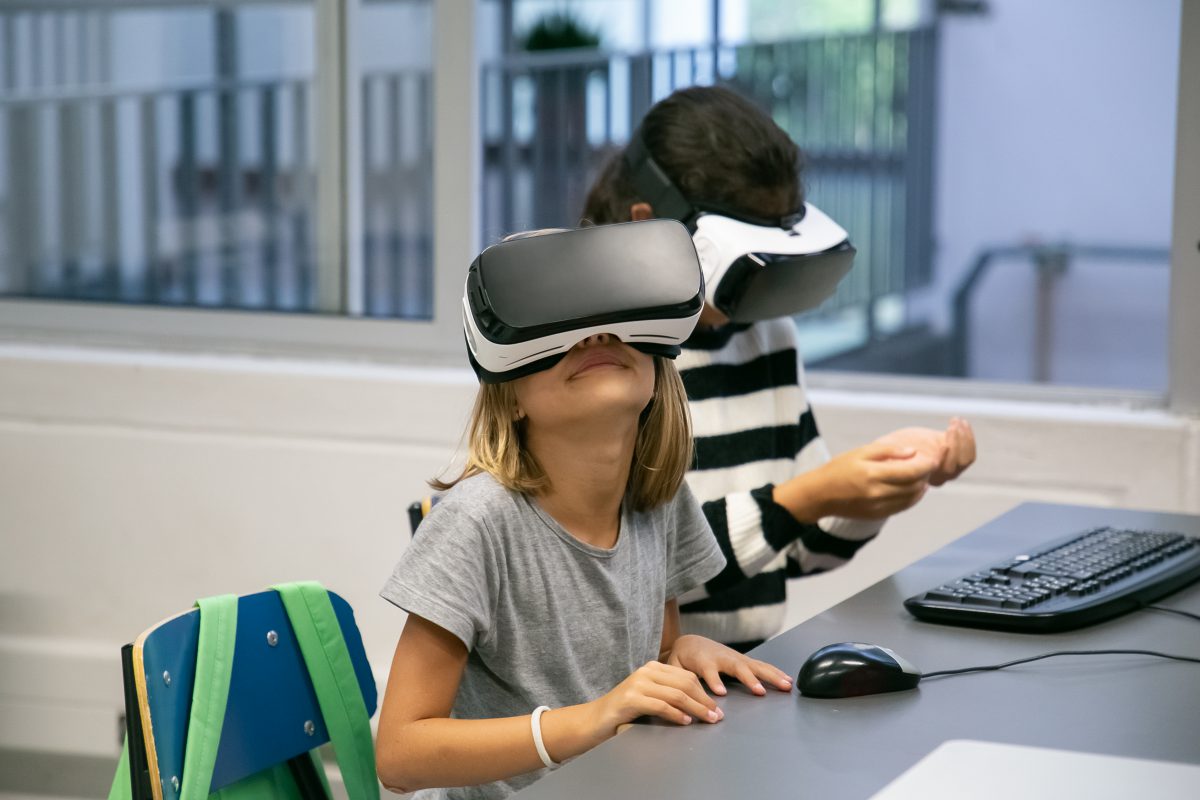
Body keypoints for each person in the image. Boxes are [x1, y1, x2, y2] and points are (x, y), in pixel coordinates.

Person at [375, 225, 794, 800]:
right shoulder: (477, 524)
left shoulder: (659, 499)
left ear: (658, 374)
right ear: (510, 397)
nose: (596, 334)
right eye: (560, 328)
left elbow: (649, 662)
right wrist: (592, 720)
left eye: (617, 321)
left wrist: (681, 656)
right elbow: (399, 756)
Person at [581, 85, 977, 652]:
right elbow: (621, 575)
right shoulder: (597, 359)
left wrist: (873, 487)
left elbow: (798, 554)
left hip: (747, 671)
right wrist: (808, 496)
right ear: (646, 224)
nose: (756, 296)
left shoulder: (765, 337)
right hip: (636, 685)